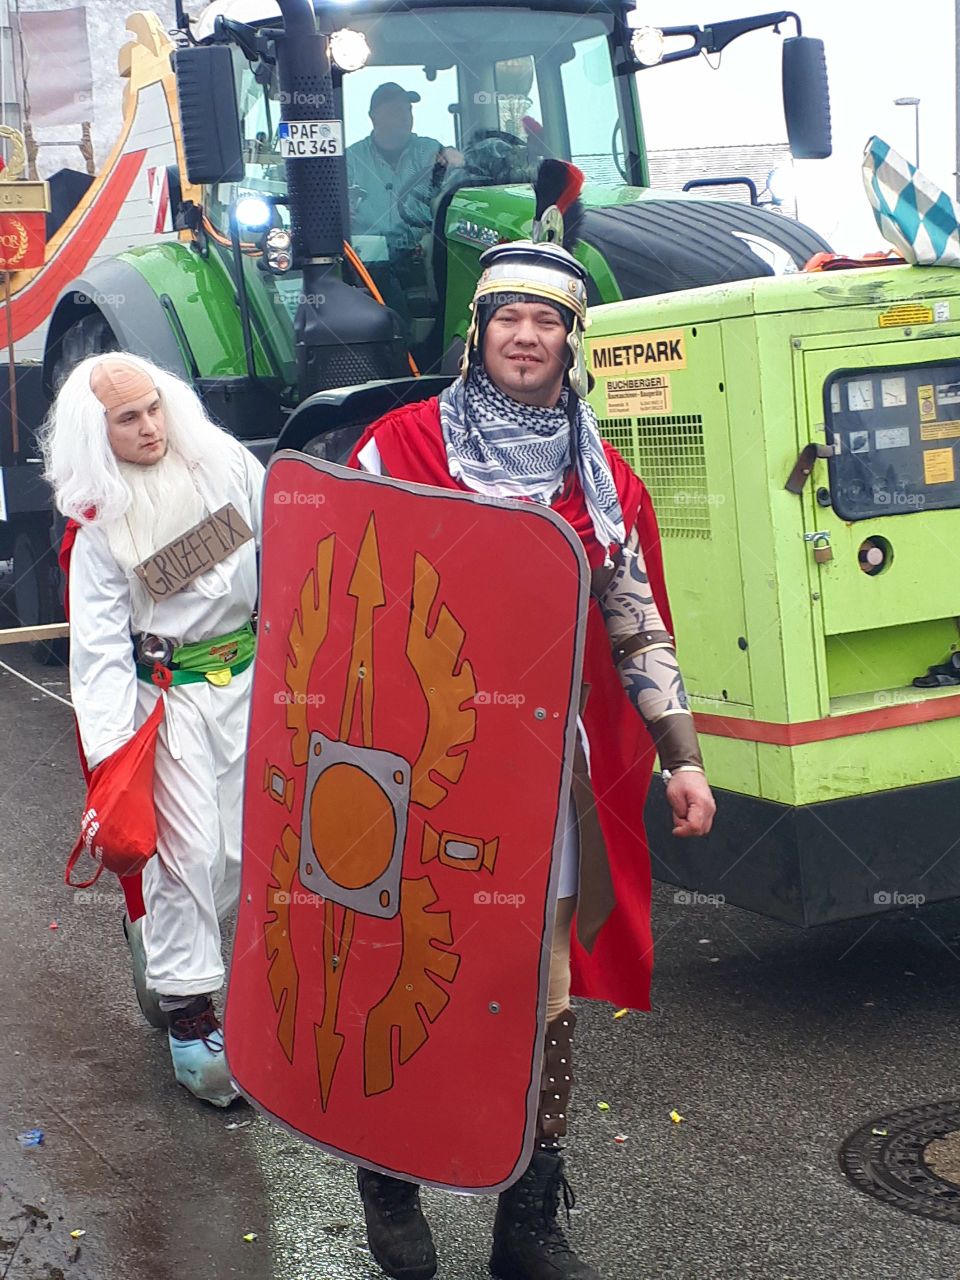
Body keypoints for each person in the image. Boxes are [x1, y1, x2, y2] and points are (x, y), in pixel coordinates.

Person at [347, 240, 716, 1280]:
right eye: (507, 315)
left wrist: (681, 755)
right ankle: (390, 1177)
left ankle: (527, 1220)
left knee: (537, 989)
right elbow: (334, 581)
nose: (525, 336)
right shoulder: (399, 447)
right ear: (478, 331)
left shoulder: (600, 481)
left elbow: (638, 626)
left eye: (546, 320)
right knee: (408, 967)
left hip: (544, 780)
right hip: (417, 774)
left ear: (572, 341)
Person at [41, 354, 264, 1108]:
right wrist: (114, 760)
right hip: (166, 706)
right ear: (96, 433)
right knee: (186, 856)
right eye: (126, 419)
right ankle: (190, 1019)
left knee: (243, 854)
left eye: (153, 408)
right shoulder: (98, 523)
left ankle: (158, 948)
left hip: (252, 689)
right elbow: (100, 650)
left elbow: (289, 547)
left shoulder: (227, 464)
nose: (148, 427)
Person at [347, 81, 463, 254]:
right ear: (373, 117)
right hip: (367, 261)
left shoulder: (430, 150)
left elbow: (454, 180)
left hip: (423, 257)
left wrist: (455, 159)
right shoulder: (350, 160)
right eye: (395, 111)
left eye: (408, 110)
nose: (405, 117)